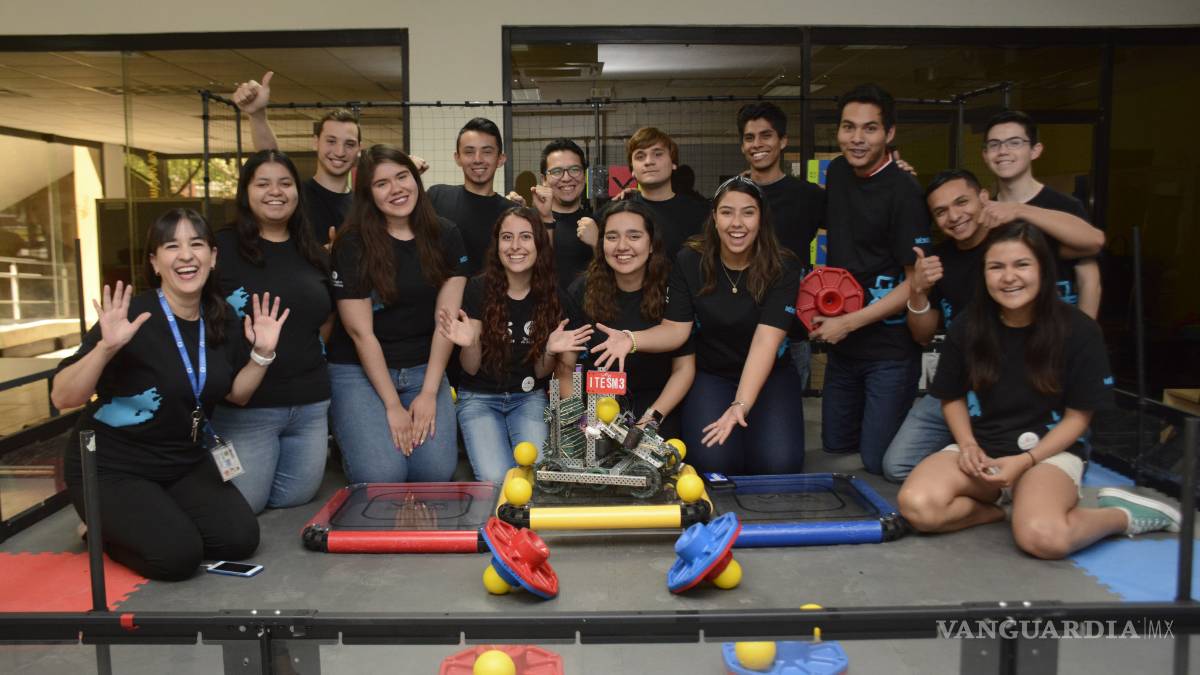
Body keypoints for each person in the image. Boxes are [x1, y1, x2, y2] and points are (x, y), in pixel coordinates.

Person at [898, 222, 1180, 559]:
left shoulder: (1079, 329)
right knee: (918, 508)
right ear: (984, 275)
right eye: (996, 267)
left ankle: (1122, 515)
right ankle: (1003, 511)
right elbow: (952, 396)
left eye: (1022, 265)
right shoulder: (968, 325)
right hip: (983, 451)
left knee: (1044, 539)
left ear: (1043, 270)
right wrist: (968, 444)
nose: (1008, 277)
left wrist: (1026, 461)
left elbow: (1078, 418)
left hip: (1047, 454)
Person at [51, 208, 289, 580]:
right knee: (178, 558)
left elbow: (237, 396)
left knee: (239, 539)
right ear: (155, 262)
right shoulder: (131, 316)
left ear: (212, 256)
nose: (186, 255)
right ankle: (100, 529)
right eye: (171, 246)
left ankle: (146, 518)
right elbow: (63, 397)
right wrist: (105, 349)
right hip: (113, 465)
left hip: (182, 459)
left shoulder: (221, 318)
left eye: (196, 244)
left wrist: (262, 354)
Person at [882, 169, 1106, 482]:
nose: (954, 216)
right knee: (898, 465)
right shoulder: (940, 262)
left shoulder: (1017, 239)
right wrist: (918, 290)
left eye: (962, 202)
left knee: (1041, 465)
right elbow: (922, 335)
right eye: (941, 211)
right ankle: (985, 475)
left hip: (1028, 374)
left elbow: (1093, 240)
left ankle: (1034, 473)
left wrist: (1017, 210)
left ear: (984, 198)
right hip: (968, 376)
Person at [591, 178, 803, 474]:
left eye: (748, 213)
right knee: (713, 462)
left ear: (762, 218)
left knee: (778, 464)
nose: (737, 223)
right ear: (714, 217)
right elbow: (676, 330)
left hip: (770, 374)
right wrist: (631, 339)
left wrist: (739, 405)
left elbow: (765, 342)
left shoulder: (783, 266)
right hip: (712, 373)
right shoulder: (691, 260)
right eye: (727, 212)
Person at [327, 145, 467, 483]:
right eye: (382, 184)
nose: (396, 189)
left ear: (415, 178)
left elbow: (445, 323)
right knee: (383, 475)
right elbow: (362, 334)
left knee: (434, 473)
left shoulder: (446, 235)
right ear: (368, 194)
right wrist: (391, 405)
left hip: (423, 367)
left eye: (402, 176)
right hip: (359, 372)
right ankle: (350, 440)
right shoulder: (352, 243)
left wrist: (430, 393)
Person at [814, 84, 931, 476]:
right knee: (834, 444)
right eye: (849, 127)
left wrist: (848, 323)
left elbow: (914, 283)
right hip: (845, 354)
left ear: (889, 134)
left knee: (878, 461)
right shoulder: (840, 174)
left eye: (870, 129)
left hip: (889, 352)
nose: (857, 138)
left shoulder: (906, 190)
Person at [209, 150, 334, 513]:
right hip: (248, 408)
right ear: (246, 192)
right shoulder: (222, 249)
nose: (275, 192)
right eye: (263, 184)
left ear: (297, 191)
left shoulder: (313, 252)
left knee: (294, 497)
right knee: (245, 504)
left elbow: (326, 316)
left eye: (285, 183)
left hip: (309, 406)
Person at [438, 208, 591, 482]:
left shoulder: (554, 296)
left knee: (536, 473)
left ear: (539, 245)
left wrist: (549, 351)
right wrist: (470, 343)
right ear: (497, 245)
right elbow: (470, 369)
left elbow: (542, 373)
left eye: (525, 237)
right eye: (507, 237)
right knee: (497, 478)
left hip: (528, 398)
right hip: (478, 398)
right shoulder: (478, 289)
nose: (516, 246)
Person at [560, 200, 696, 441]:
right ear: (602, 244)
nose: (622, 246)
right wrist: (582, 420)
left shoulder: (673, 289)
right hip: (595, 406)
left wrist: (650, 420)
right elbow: (565, 369)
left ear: (652, 244)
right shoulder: (582, 289)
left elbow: (684, 369)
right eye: (612, 237)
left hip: (656, 403)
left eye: (634, 236)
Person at [982, 110, 1104, 318]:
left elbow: (1089, 279)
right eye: (994, 144)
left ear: (1035, 150)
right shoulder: (987, 213)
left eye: (1014, 143)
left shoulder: (1066, 206)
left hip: (1059, 325)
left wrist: (1087, 337)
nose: (1003, 151)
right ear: (985, 155)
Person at [737, 101, 825, 387]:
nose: (757, 144)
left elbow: (855, 227)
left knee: (783, 420)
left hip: (792, 331)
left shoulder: (807, 196)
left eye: (766, 135)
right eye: (749, 138)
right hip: (738, 329)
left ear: (783, 141)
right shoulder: (732, 196)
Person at [232, 72, 360, 246]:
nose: (339, 151)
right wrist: (257, 116)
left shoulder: (362, 205)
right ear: (316, 142)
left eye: (349, 144)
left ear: (359, 149)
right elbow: (270, 157)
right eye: (331, 141)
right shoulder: (296, 196)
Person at [426, 118, 517, 275]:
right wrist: (408, 173)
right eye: (469, 152)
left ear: (500, 159)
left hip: (492, 297)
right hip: (440, 297)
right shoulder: (437, 197)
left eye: (487, 152)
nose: (478, 159)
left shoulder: (512, 212)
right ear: (457, 158)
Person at [624, 127, 710, 258]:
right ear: (632, 170)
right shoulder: (619, 213)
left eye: (658, 154)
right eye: (640, 156)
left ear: (673, 163)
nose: (649, 162)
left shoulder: (701, 214)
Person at [528, 138, 595, 291]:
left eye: (575, 169)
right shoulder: (527, 222)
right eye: (557, 171)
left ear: (584, 176)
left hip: (586, 312)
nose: (566, 178)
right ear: (544, 179)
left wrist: (597, 243)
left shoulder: (598, 223)